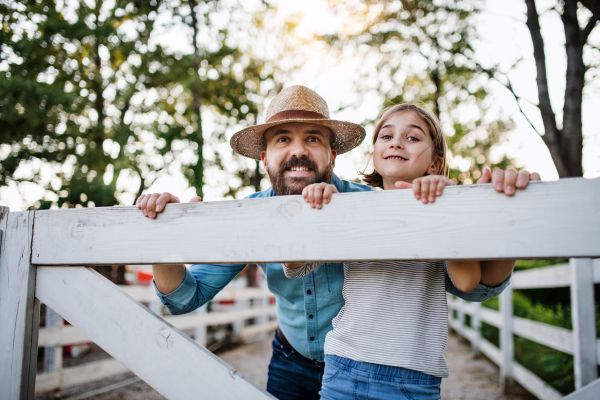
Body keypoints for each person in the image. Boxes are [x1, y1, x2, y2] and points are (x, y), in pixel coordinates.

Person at [135, 86, 539, 400]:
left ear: (332, 153)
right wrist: (161, 237)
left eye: (312, 138)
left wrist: (507, 216)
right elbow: (184, 297)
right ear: (264, 158)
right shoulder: (249, 216)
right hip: (291, 361)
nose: (298, 151)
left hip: (370, 367)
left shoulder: (377, 205)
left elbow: (464, 283)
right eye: (282, 140)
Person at [286, 103, 539, 400]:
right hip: (344, 365)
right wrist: (320, 206)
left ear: (434, 163)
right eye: (386, 136)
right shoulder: (351, 206)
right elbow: (295, 265)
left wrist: (444, 212)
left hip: (414, 377)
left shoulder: (441, 209)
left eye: (413, 138)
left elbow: (468, 281)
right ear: (374, 155)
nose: (396, 142)